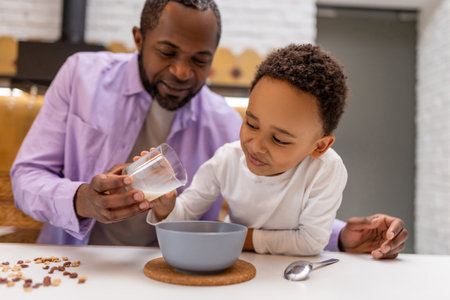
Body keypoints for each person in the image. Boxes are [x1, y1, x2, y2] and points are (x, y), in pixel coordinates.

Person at [10, 0, 407, 258]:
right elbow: (25, 177)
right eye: (167, 53)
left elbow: (273, 192)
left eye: (199, 60)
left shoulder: (224, 124)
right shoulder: (82, 75)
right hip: (71, 260)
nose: (182, 72)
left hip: (166, 271)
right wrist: (82, 199)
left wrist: (339, 236)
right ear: (138, 39)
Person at [146, 43, 348, 256]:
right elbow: (184, 213)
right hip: (237, 267)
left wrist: (235, 236)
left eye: (279, 139)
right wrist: (165, 206)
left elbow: (311, 241)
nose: (256, 146)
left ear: (319, 146)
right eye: (251, 124)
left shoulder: (325, 169)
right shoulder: (227, 160)